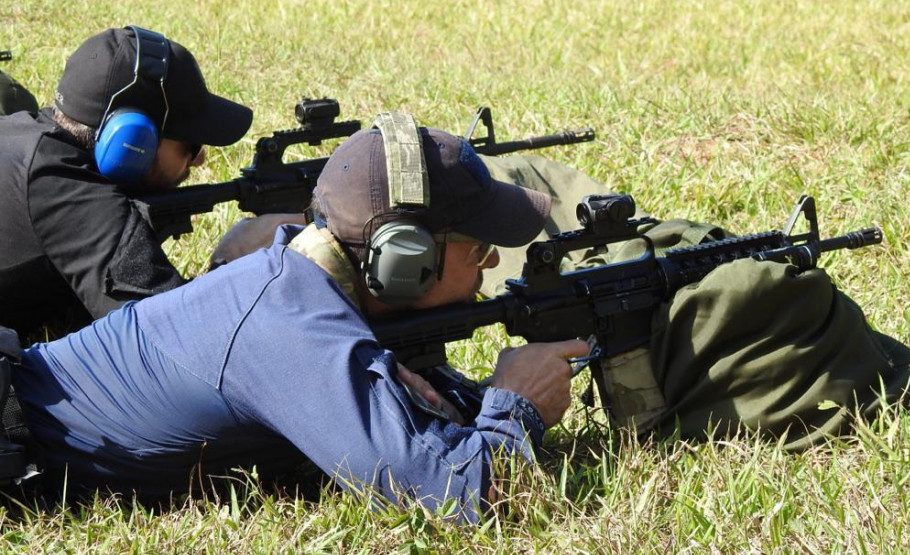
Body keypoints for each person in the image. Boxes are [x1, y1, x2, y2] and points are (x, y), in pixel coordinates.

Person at [3, 116, 591, 524]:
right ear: (403, 263)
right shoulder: (290, 325)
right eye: (479, 250)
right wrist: (518, 403)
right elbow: (461, 494)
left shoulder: (301, 281)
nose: (491, 266)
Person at [0, 27, 302, 341]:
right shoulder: (68, 192)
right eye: (190, 144)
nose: (199, 160)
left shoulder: (22, 137)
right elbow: (182, 342)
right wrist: (233, 260)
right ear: (132, 141)